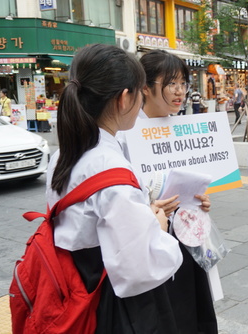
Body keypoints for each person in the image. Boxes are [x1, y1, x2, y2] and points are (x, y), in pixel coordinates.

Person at [46, 44, 183, 333]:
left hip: (70, 291)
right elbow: (139, 267)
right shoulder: (112, 168)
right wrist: (157, 226)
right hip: (110, 306)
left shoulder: (64, 155)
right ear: (124, 99)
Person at [119, 49, 218, 334]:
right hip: (151, 238)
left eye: (183, 83)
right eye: (171, 83)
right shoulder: (127, 134)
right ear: (146, 88)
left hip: (187, 236)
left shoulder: (182, 127)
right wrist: (151, 207)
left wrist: (201, 200)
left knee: (192, 311)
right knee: (164, 315)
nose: (180, 92)